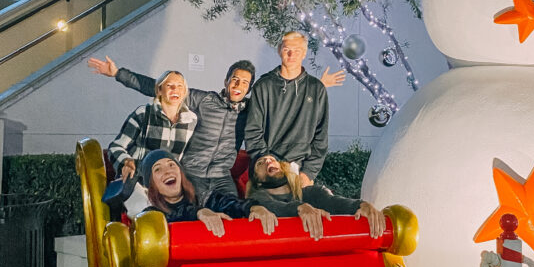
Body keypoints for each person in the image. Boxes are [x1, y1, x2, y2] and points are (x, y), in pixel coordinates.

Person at [89, 53, 344, 197]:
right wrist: (117, 74)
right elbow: (165, 89)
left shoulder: (252, 111)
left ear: (248, 88)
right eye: (234, 80)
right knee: (194, 214)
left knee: (238, 216)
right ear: (226, 81)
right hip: (193, 173)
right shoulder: (204, 100)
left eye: (244, 83)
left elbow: (284, 106)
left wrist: (317, 86)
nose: (238, 85)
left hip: (222, 177)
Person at [242, 32, 330, 188]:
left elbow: (320, 137)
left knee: (306, 211)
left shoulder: (317, 89)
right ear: (279, 50)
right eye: (287, 49)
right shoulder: (263, 86)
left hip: (300, 171)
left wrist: (308, 173)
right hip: (267, 171)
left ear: (304, 53)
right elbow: (252, 131)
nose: (291, 54)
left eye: (297, 50)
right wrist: (268, 165)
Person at [140, 149, 282, 236]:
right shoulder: (151, 214)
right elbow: (169, 219)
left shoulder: (204, 198)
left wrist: (252, 207)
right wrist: (198, 213)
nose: (168, 171)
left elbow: (229, 203)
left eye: (171, 165)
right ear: (151, 184)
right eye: (157, 169)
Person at [248, 152, 386, 240]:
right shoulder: (257, 200)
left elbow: (334, 202)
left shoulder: (311, 193)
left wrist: (362, 205)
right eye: (260, 163)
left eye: (272, 159)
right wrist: (300, 208)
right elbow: (271, 206)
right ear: (257, 180)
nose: (268, 161)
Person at [107, 70, 197, 183]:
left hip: (168, 186)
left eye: (180, 86)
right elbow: (115, 147)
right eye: (169, 86)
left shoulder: (192, 121)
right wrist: (126, 161)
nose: (175, 89)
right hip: (139, 182)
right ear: (159, 90)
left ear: (184, 92)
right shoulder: (144, 114)